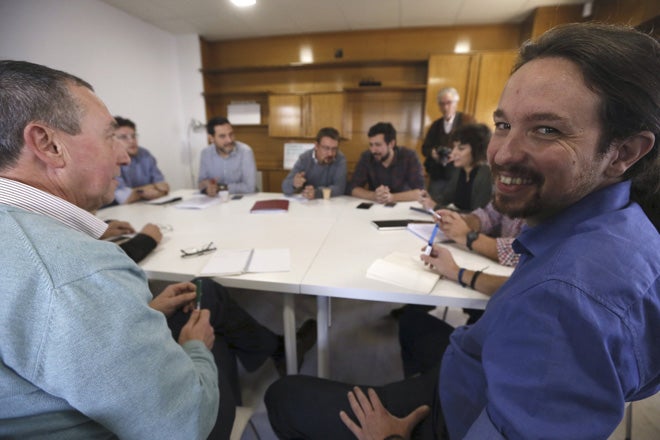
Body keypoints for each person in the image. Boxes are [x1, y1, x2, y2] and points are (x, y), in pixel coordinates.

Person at [264, 22, 660, 439]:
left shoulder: (567, 302)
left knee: (283, 396)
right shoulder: (625, 229)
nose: (502, 154)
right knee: (415, 323)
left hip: (456, 417)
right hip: (473, 370)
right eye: (503, 124)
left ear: (624, 153)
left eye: (547, 129)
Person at [0, 60, 218, 438]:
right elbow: (185, 424)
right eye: (109, 137)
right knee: (212, 328)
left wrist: (141, 311)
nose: (125, 156)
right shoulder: (77, 270)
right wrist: (196, 350)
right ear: (49, 145)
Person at [420, 123, 493, 212]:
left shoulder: (486, 175)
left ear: (478, 151)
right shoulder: (460, 170)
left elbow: (477, 217)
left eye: (461, 148)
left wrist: (436, 207)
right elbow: (446, 198)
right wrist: (430, 198)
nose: (453, 153)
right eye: (454, 147)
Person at [348, 122, 425, 204]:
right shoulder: (367, 157)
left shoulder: (409, 156)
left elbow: (420, 192)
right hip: (376, 207)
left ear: (391, 144)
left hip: (403, 205)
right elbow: (353, 188)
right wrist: (374, 195)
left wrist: (391, 197)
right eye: (371, 145)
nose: (373, 150)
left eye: (378, 145)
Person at [421, 87, 475, 202]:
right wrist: (433, 153)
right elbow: (425, 148)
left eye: (449, 103)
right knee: (433, 205)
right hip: (438, 175)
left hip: (460, 174)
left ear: (456, 103)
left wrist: (457, 154)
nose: (445, 107)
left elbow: (476, 147)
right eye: (442, 104)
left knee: (457, 206)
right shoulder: (435, 125)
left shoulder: (467, 121)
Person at [112, 116, 170, 204]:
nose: (131, 141)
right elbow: (125, 198)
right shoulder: (110, 159)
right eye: (124, 137)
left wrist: (138, 192)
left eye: (134, 136)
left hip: (147, 207)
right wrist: (153, 188)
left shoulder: (145, 154)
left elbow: (164, 187)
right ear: (112, 140)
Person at [282, 127, 347, 199]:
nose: (330, 154)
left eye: (334, 149)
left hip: (331, 203)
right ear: (316, 146)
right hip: (308, 204)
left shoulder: (340, 158)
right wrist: (293, 183)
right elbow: (285, 187)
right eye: (326, 148)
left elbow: (339, 188)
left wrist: (316, 193)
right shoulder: (304, 158)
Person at [198, 116, 257, 196]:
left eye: (231, 134)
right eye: (222, 136)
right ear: (211, 138)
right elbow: (201, 184)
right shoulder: (205, 153)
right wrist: (207, 188)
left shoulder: (245, 152)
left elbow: (249, 187)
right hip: (215, 201)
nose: (229, 140)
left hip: (243, 199)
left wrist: (220, 188)